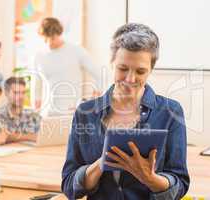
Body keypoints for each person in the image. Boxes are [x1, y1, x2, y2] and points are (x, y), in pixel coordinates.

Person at [61, 23, 190, 199]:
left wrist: (150, 179)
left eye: (140, 71)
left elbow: (180, 183)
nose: (130, 78)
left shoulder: (171, 112)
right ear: (112, 63)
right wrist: (101, 164)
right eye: (123, 69)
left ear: (151, 69)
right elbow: (69, 185)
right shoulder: (85, 113)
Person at [34, 17, 102, 115]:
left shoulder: (75, 50)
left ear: (59, 34)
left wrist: (95, 96)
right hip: (49, 113)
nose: (49, 42)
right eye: (46, 38)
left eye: (52, 38)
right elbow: (37, 84)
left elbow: (99, 73)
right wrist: (36, 108)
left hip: (72, 113)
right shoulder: (39, 56)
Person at [0, 77, 41, 143]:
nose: (21, 96)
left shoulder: (33, 115)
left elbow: (44, 135)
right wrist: (31, 136)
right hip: (7, 152)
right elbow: (1, 137)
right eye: (16, 93)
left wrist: (14, 136)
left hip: (32, 152)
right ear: (6, 93)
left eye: (23, 93)